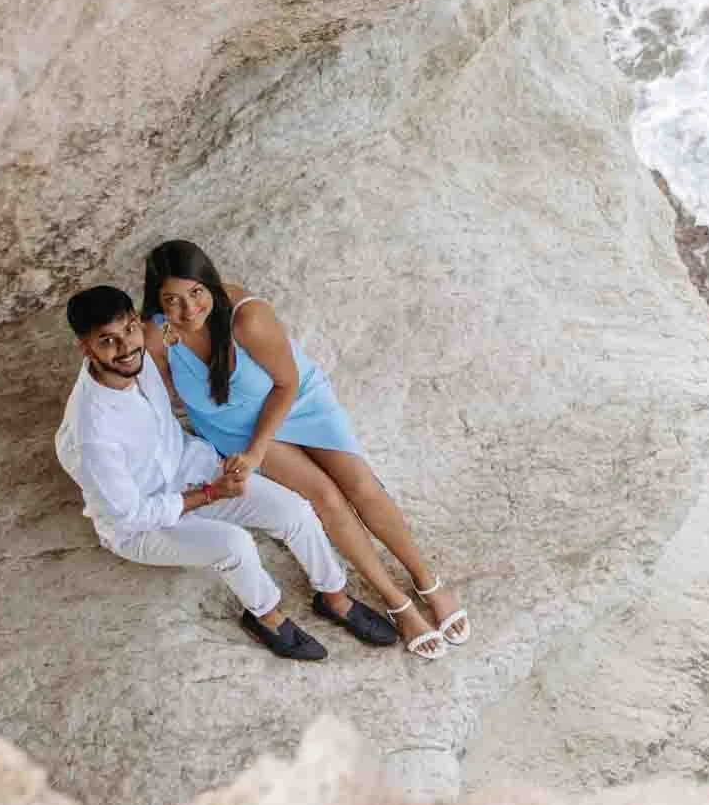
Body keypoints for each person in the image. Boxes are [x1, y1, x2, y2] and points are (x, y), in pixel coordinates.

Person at [143, 240, 470, 661]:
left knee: (359, 484)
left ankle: (427, 582)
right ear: (157, 300)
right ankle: (396, 600)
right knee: (325, 497)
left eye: (196, 292)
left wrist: (258, 452)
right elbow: (167, 395)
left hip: (296, 403)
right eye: (172, 300)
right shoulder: (157, 334)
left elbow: (287, 383)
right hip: (233, 428)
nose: (188, 310)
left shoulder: (247, 318)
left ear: (211, 283)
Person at [54, 284, 403, 661]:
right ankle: (266, 617)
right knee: (234, 546)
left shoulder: (147, 353)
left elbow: (196, 306)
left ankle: (334, 597)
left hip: (188, 467)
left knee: (296, 511)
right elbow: (131, 514)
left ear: (139, 323)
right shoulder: (93, 432)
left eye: (129, 330)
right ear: (86, 349)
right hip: (141, 523)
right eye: (107, 341)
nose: (125, 347)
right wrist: (210, 494)